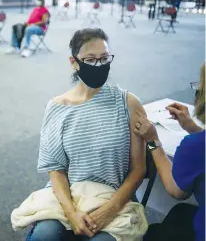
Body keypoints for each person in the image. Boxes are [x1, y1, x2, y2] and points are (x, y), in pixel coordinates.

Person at [26, 28, 147, 241]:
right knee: (44, 236)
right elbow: (56, 170)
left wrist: (109, 210)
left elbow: (138, 170)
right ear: (74, 62)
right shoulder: (57, 107)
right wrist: (71, 213)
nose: (99, 65)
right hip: (68, 195)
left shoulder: (128, 103)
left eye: (104, 58)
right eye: (90, 59)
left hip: (113, 196)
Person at [134, 63, 205, 241]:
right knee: (180, 213)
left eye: (200, 87)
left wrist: (152, 142)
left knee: (154, 233)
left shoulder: (194, 146)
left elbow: (177, 191)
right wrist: (194, 129)